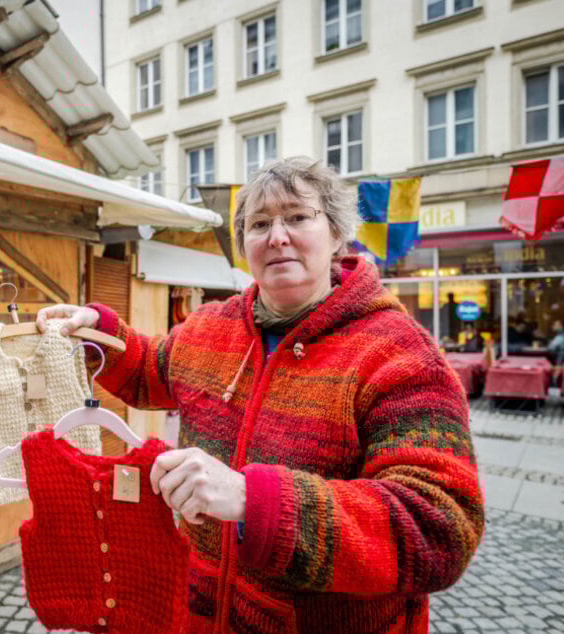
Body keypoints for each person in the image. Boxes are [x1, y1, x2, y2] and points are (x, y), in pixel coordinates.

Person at [36, 157, 483, 634]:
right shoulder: (211, 325)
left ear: (337, 234)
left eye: (296, 217)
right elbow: (152, 369)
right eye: (259, 224)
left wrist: (256, 500)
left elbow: (440, 528)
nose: (276, 236)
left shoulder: (399, 354)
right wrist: (98, 334)